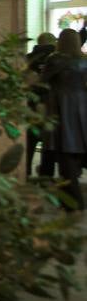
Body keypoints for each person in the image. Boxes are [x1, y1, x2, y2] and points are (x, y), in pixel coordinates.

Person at [41, 28, 87, 210]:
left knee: (65, 153)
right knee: (78, 150)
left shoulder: (55, 59)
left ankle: (73, 202)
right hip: (83, 107)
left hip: (61, 107)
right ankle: (72, 200)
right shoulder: (84, 61)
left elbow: (43, 81)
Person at [27, 32, 57, 178]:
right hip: (52, 105)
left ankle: (26, 172)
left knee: (30, 140)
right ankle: (46, 174)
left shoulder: (28, 58)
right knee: (49, 142)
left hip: (32, 104)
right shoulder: (56, 59)